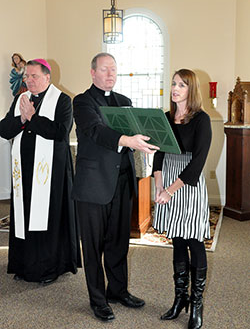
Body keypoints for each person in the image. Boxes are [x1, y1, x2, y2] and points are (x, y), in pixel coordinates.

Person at [72, 52, 159, 321]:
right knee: (93, 246)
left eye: (114, 69)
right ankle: (98, 300)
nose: (110, 74)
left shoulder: (125, 102)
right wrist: (128, 141)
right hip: (93, 185)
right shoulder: (82, 101)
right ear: (92, 72)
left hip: (122, 183)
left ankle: (118, 290)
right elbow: (95, 130)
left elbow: (140, 131)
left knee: (119, 242)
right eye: (105, 69)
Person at [0, 58, 81, 284]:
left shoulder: (63, 101)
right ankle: (23, 264)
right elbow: (4, 130)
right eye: (26, 76)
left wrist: (32, 118)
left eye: (34, 76)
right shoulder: (20, 99)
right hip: (23, 172)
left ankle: (49, 269)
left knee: (47, 219)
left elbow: (60, 132)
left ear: (47, 77)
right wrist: (22, 118)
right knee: (24, 216)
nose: (29, 80)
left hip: (50, 174)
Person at [152, 69, 212, 329]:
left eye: (181, 85)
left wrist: (170, 189)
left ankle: (196, 305)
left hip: (187, 183)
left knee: (194, 241)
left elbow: (198, 163)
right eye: (173, 83)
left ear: (191, 90)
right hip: (167, 181)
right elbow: (157, 154)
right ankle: (180, 299)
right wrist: (157, 185)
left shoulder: (202, 119)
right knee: (176, 240)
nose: (175, 88)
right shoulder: (165, 117)